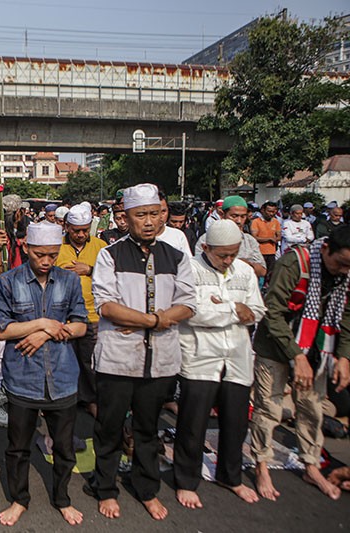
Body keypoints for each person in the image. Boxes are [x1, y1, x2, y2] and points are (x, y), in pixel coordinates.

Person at [90, 183, 196, 521]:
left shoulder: (176, 254)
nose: (148, 221)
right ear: (126, 217)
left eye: (154, 214)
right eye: (141, 215)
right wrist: (157, 319)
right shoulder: (110, 254)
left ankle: (146, 488)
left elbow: (189, 302)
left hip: (159, 361)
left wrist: (148, 321)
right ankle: (105, 488)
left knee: (148, 430)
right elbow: (107, 306)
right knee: (109, 427)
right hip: (118, 360)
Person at [0, 221, 88, 528]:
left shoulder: (69, 281)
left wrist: (45, 333)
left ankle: (62, 498)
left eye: (52, 254)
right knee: (18, 446)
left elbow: (81, 325)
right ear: (26, 248)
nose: (46, 261)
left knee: (63, 447)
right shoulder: (7, 282)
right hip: (23, 376)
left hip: (62, 376)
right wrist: (44, 324)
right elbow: (3, 329)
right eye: (40, 255)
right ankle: (19, 499)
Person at [250, 225, 350, 502]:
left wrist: (344, 356)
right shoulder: (295, 262)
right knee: (268, 408)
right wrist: (296, 355)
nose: (343, 271)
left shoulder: (345, 274)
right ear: (327, 248)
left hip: (318, 348)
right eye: (340, 263)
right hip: (276, 346)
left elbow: (346, 316)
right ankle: (261, 465)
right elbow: (272, 312)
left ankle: (311, 464)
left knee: (312, 408)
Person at [174, 220, 266, 509]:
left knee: (236, 422)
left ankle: (231, 476)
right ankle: (187, 481)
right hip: (200, 355)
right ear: (205, 248)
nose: (228, 261)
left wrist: (223, 308)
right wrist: (232, 309)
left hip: (237, 355)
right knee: (193, 422)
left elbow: (258, 311)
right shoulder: (188, 268)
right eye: (221, 255)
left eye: (233, 254)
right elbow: (191, 312)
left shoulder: (245, 271)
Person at [55, 202, 108, 416]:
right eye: (76, 231)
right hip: (63, 314)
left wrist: (90, 270)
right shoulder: (57, 245)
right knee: (64, 359)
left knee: (90, 361)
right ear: (67, 227)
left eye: (85, 230)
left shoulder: (100, 246)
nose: (80, 235)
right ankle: (66, 397)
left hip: (92, 313)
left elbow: (110, 276)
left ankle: (91, 399)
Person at [194, 196, 266, 279]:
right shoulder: (206, 239)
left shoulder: (249, 241)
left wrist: (244, 264)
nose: (239, 221)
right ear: (223, 214)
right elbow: (198, 267)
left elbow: (262, 271)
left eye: (243, 217)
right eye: (234, 216)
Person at [251, 201, 281, 282]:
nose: (271, 214)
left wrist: (276, 238)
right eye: (269, 211)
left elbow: (279, 236)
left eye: (273, 211)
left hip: (272, 252)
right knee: (260, 274)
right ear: (263, 210)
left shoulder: (276, 221)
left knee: (271, 274)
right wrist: (269, 239)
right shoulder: (256, 222)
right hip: (260, 252)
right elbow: (254, 237)